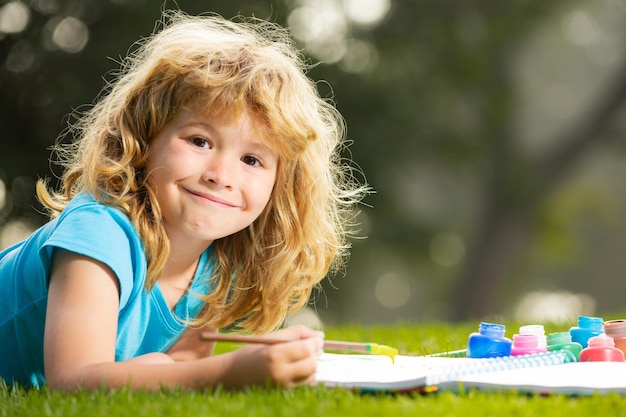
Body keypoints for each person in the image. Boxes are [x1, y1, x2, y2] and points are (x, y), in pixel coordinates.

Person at [0, 10, 368, 391]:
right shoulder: (100, 233)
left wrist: (173, 367)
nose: (220, 176)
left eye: (251, 160)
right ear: (145, 138)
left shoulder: (217, 265)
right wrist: (230, 373)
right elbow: (72, 381)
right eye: (199, 141)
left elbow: (177, 372)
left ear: (282, 187)